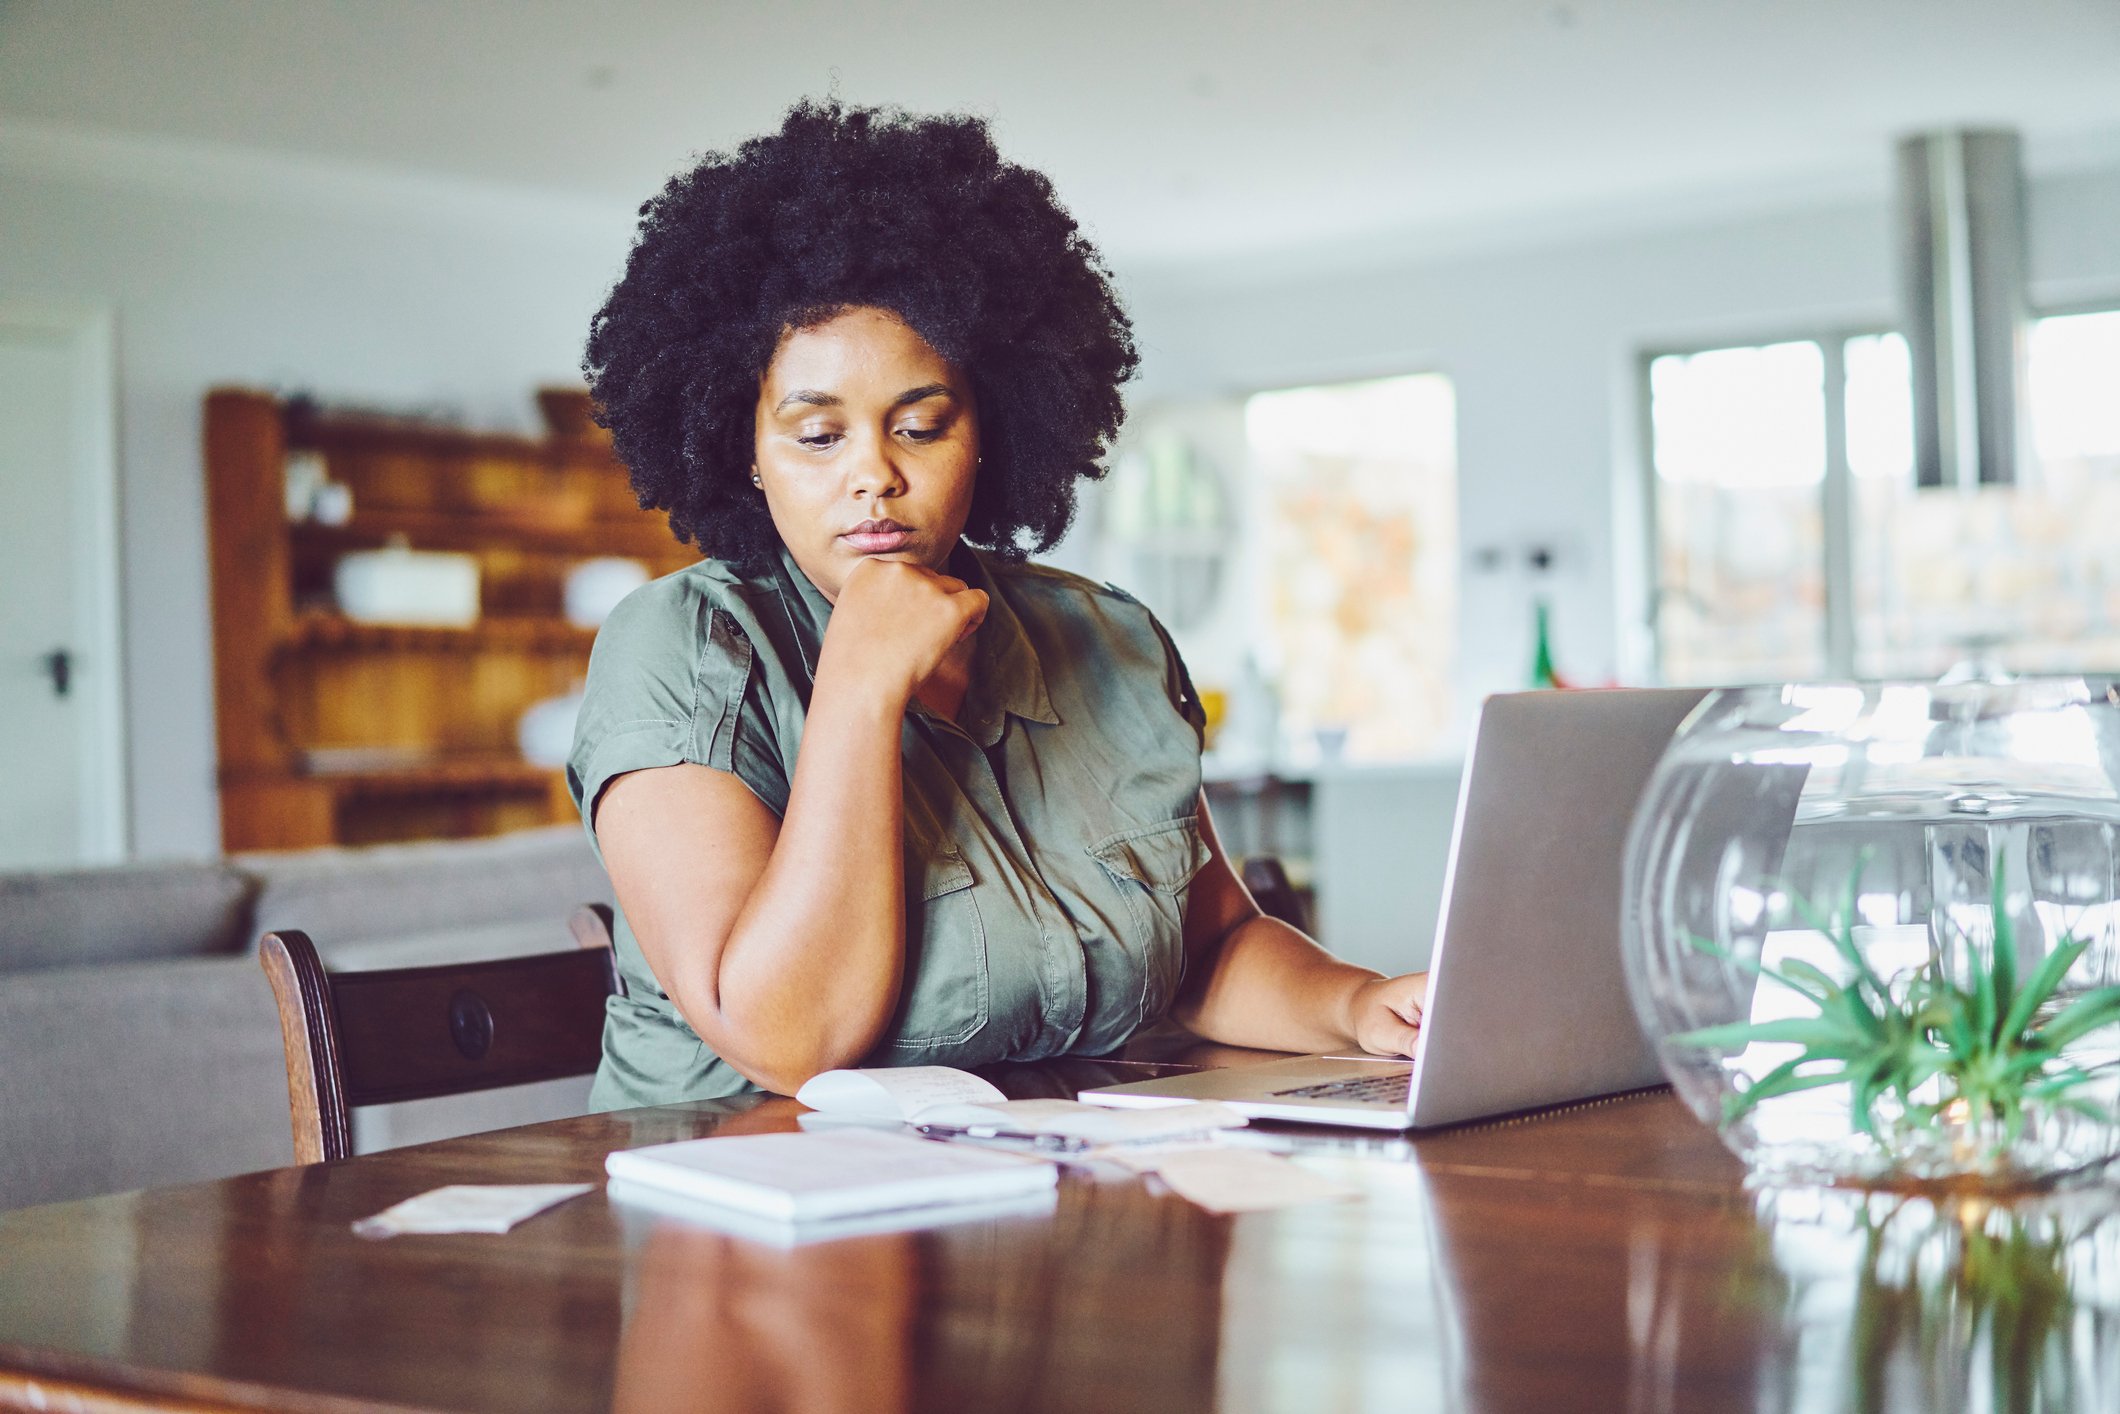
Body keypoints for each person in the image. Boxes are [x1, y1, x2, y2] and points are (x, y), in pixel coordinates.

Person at [571, 100, 1427, 1108]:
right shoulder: (676, 648)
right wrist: (856, 687)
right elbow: (786, 1038)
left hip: (1042, 1206)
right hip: (742, 1227)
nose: (873, 476)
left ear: (990, 427)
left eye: (920, 426)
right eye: (816, 436)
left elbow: (1211, 948)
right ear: (742, 452)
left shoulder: (1105, 641)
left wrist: (1358, 1004)